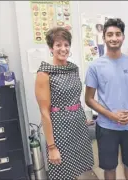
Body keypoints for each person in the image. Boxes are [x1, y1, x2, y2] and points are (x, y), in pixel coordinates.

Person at [85, 18, 128, 180]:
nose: (114, 38)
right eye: (110, 34)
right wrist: (110, 115)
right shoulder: (95, 66)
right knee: (109, 168)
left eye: (118, 34)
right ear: (104, 38)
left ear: (123, 37)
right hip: (106, 126)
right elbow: (89, 99)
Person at [35, 27, 94, 180]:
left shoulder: (73, 69)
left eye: (66, 45)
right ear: (51, 48)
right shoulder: (44, 73)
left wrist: (81, 117)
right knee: (62, 171)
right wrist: (51, 147)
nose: (63, 49)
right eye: (58, 45)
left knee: (78, 170)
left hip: (78, 127)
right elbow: (44, 112)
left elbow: (75, 98)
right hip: (59, 129)